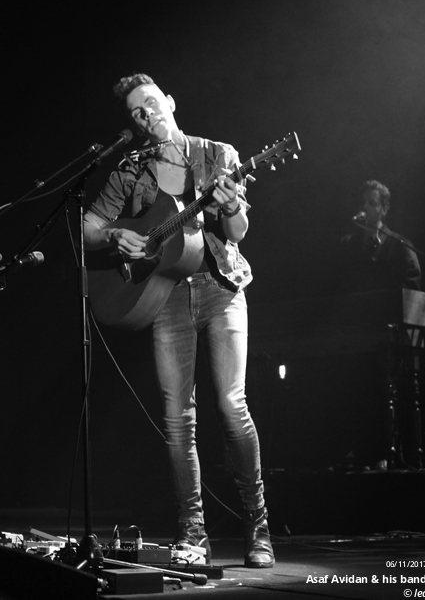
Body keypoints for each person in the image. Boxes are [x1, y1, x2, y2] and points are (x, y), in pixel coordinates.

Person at [83, 73, 273, 568]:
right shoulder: (132, 168)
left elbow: (237, 230)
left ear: (170, 101)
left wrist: (231, 204)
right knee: (177, 419)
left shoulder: (219, 155)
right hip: (164, 297)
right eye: (137, 113)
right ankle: (194, 535)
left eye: (151, 104)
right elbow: (87, 227)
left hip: (221, 289)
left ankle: (260, 528)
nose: (148, 116)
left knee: (232, 404)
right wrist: (115, 237)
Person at [336, 179, 421, 293]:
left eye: (372, 203)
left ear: (384, 210)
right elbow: (336, 284)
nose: (364, 206)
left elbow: (412, 288)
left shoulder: (401, 246)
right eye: (363, 202)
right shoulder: (347, 244)